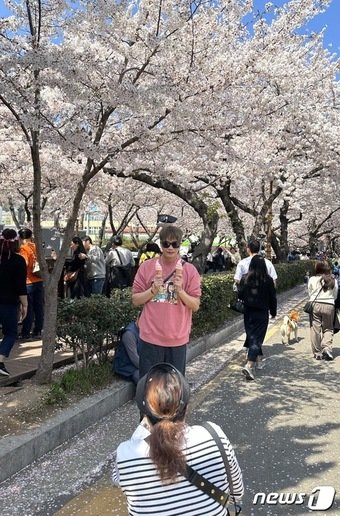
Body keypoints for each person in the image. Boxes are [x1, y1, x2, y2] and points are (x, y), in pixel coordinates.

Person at [112, 363, 244, 515]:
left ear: (143, 414)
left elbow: (119, 481)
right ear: (186, 406)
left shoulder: (125, 453)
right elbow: (236, 494)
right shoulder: (214, 436)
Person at [132, 225, 201, 377]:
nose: (170, 247)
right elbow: (135, 300)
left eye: (175, 244)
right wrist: (152, 290)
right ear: (161, 244)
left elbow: (195, 305)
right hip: (150, 338)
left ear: (180, 244)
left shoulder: (189, 270)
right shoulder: (146, 267)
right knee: (149, 389)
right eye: (166, 244)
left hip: (177, 340)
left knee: (173, 391)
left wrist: (180, 291)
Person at [238, 255, 277, 380]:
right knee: (257, 339)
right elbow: (273, 297)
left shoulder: (245, 278)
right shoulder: (268, 280)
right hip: (262, 312)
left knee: (252, 337)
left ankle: (259, 360)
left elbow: (240, 294)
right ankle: (250, 364)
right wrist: (273, 312)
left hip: (248, 312)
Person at [0, 229, 28, 376]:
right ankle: (0, 360)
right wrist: (25, 305)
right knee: (10, 333)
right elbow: (21, 287)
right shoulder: (18, 261)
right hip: (9, 303)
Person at [307, 261, 338, 361]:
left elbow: (310, 293)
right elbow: (335, 295)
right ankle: (327, 348)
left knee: (315, 328)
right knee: (328, 328)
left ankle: (317, 353)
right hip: (329, 305)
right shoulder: (333, 280)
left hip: (315, 305)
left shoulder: (312, 279)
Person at [18, 228, 44, 339]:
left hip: (28, 282)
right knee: (39, 308)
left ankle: (26, 333)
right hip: (39, 280)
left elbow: (24, 263)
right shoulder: (36, 247)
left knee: (28, 308)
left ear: (21, 237)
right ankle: (38, 330)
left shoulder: (23, 248)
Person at [113, 318, 140, 384]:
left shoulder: (143, 331)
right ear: (138, 318)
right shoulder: (129, 334)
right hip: (125, 367)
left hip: (137, 365)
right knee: (145, 379)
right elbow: (134, 359)